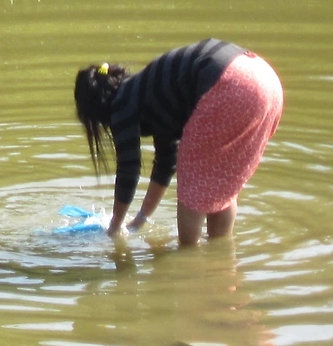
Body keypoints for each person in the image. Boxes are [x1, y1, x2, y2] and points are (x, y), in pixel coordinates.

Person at [73, 39, 283, 246]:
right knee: (222, 185)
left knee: (192, 179)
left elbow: (129, 168)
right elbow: (166, 163)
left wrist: (115, 226)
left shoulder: (121, 102)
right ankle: (220, 257)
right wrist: (139, 221)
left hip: (230, 83)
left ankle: (189, 256)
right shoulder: (155, 95)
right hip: (266, 81)